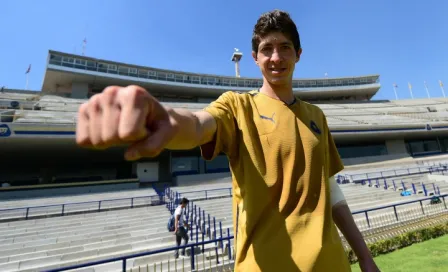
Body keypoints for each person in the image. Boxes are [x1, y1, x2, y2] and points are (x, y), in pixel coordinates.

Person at [75, 9, 379, 272]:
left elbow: (330, 190)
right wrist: (165, 120)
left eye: (285, 47)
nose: (276, 57)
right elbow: (197, 125)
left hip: (332, 265)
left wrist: (364, 257)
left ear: (298, 54)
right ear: (254, 59)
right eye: (266, 49)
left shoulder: (316, 116)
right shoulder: (237, 106)